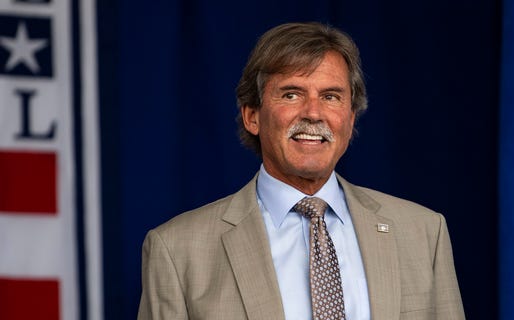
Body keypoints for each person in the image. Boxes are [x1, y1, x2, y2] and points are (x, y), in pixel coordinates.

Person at [138, 22, 465, 320]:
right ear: (252, 115)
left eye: (331, 96)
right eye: (291, 94)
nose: (313, 113)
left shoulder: (424, 233)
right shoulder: (177, 250)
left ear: (350, 120)